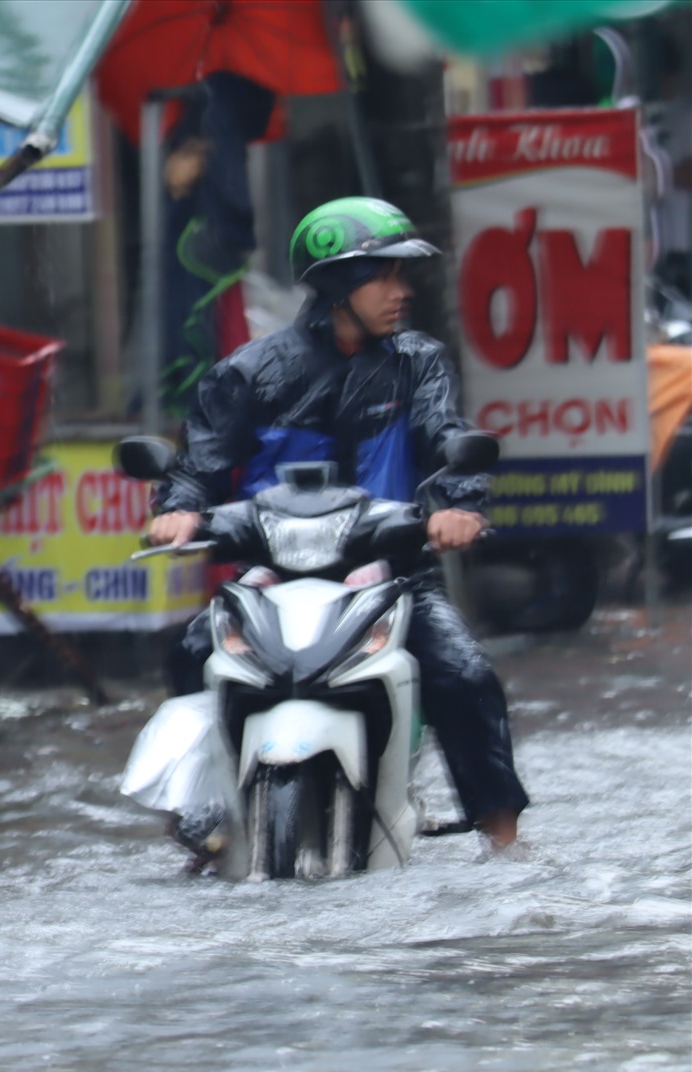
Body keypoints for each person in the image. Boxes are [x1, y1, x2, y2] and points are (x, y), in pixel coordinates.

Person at [145, 196, 529, 850]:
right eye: (384, 276)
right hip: (271, 576)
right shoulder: (248, 372)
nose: (400, 292)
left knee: (463, 673)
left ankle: (503, 837)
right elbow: (199, 464)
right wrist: (177, 509)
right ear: (335, 284)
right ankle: (203, 811)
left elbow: (447, 438)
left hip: (396, 574)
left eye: (403, 277)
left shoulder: (418, 362)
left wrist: (458, 505)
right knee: (188, 654)